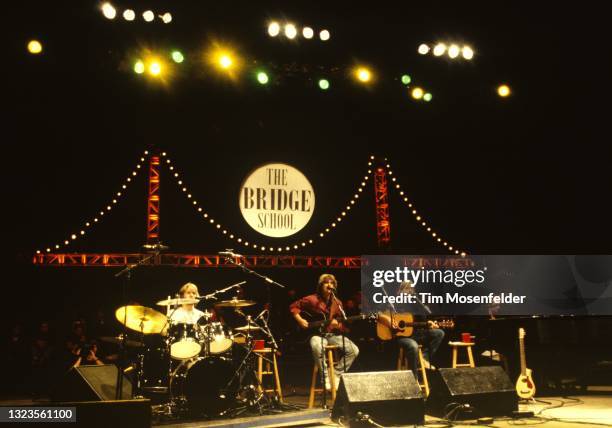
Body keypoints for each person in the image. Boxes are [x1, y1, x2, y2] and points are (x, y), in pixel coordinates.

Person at [290, 273, 359, 391]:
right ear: (320, 285)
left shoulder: (337, 303)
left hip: (331, 335)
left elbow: (340, 322)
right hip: (315, 334)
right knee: (317, 346)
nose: (329, 285)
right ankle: (325, 377)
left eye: (332, 283)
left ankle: (336, 374)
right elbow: (293, 307)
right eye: (326, 282)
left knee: (354, 350)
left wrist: (339, 325)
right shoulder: (311, 299)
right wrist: (300, 320)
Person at [377, 281, 444, 372]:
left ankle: (423, 359)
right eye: (407, 288)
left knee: (439, 333)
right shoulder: (392, 301)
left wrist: (429, 323)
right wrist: (388, 320)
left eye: (411, 289)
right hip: (399, 336)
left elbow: (422, 321)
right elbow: (377, 313)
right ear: (400, 290)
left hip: (415, 334)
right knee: (413, 346)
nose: (410, 291)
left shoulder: (416, 303)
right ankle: (414, 376)